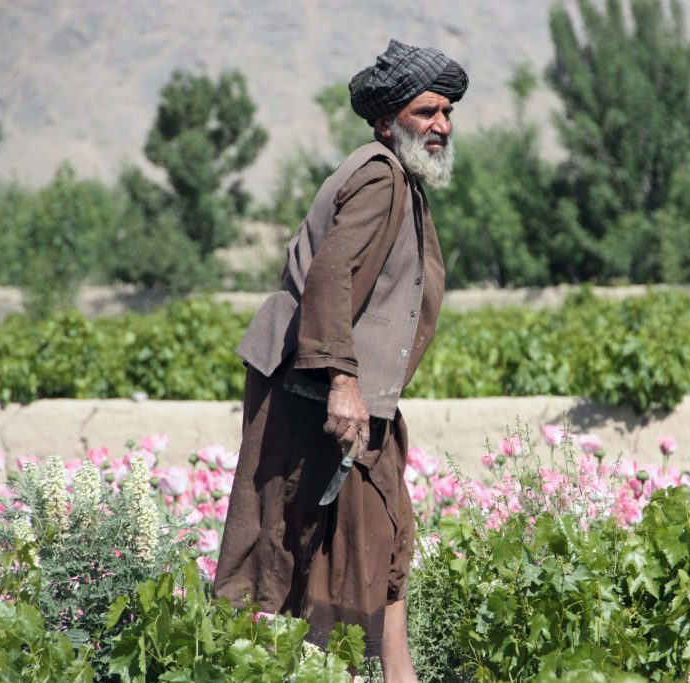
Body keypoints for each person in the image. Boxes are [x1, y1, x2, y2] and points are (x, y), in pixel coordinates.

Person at [213, 39, 467, 681]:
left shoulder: (400, 179)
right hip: (318, 399)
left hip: (351, 401)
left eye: (447, 112)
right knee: (320, 555)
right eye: (426, 111)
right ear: (387, 120)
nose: (441, 124)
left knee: (382, 549)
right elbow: (330, 277)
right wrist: (344, 384)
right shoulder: (380, 176)